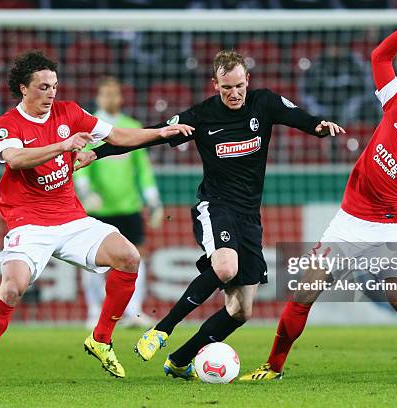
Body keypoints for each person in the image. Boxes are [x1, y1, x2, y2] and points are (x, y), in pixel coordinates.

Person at [92, 50, 344, 379]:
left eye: (239, 86)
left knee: (240, 311)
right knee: (226, 266)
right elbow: (150, 135)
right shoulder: (201, 116)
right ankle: (161, 330)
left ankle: (180, 361)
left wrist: (320, 128)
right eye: (227, 88)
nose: (234, 93)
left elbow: (303, 119)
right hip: (215, 206)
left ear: (247, 81)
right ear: (215, 85)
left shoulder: (263, 103)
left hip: (249, 215)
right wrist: (96, 154)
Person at [239, 15, 397, 381]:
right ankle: (273, 367)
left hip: (390, 231)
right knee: (303, 292)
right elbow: (379, 58)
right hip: (348, 221)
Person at [0, 51, 193, 387]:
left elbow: (116, 136)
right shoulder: (7, 124)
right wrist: (62, 146)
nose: (51, 93)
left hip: (71, 218)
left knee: (129, 257)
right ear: (24, 89)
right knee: (12, 289)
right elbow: (15, 159)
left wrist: (161, 134)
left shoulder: (69, 112)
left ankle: (100, 338)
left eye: (54, 86)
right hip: (29, 224)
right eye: (43, 87)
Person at [75, 77, 163, 329]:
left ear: (121, 97)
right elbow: (80, 164)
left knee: (137, 257)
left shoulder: (131, 126)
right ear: (98, 97)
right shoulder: (89, 127)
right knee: (91, 261)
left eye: (115, 94)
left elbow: (143, 169)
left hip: (128, 206)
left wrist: (153, 199)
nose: (110, 99)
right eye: (106, 94)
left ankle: (132, 312)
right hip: (98, 208)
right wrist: (85, 190)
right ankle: (94, 311)